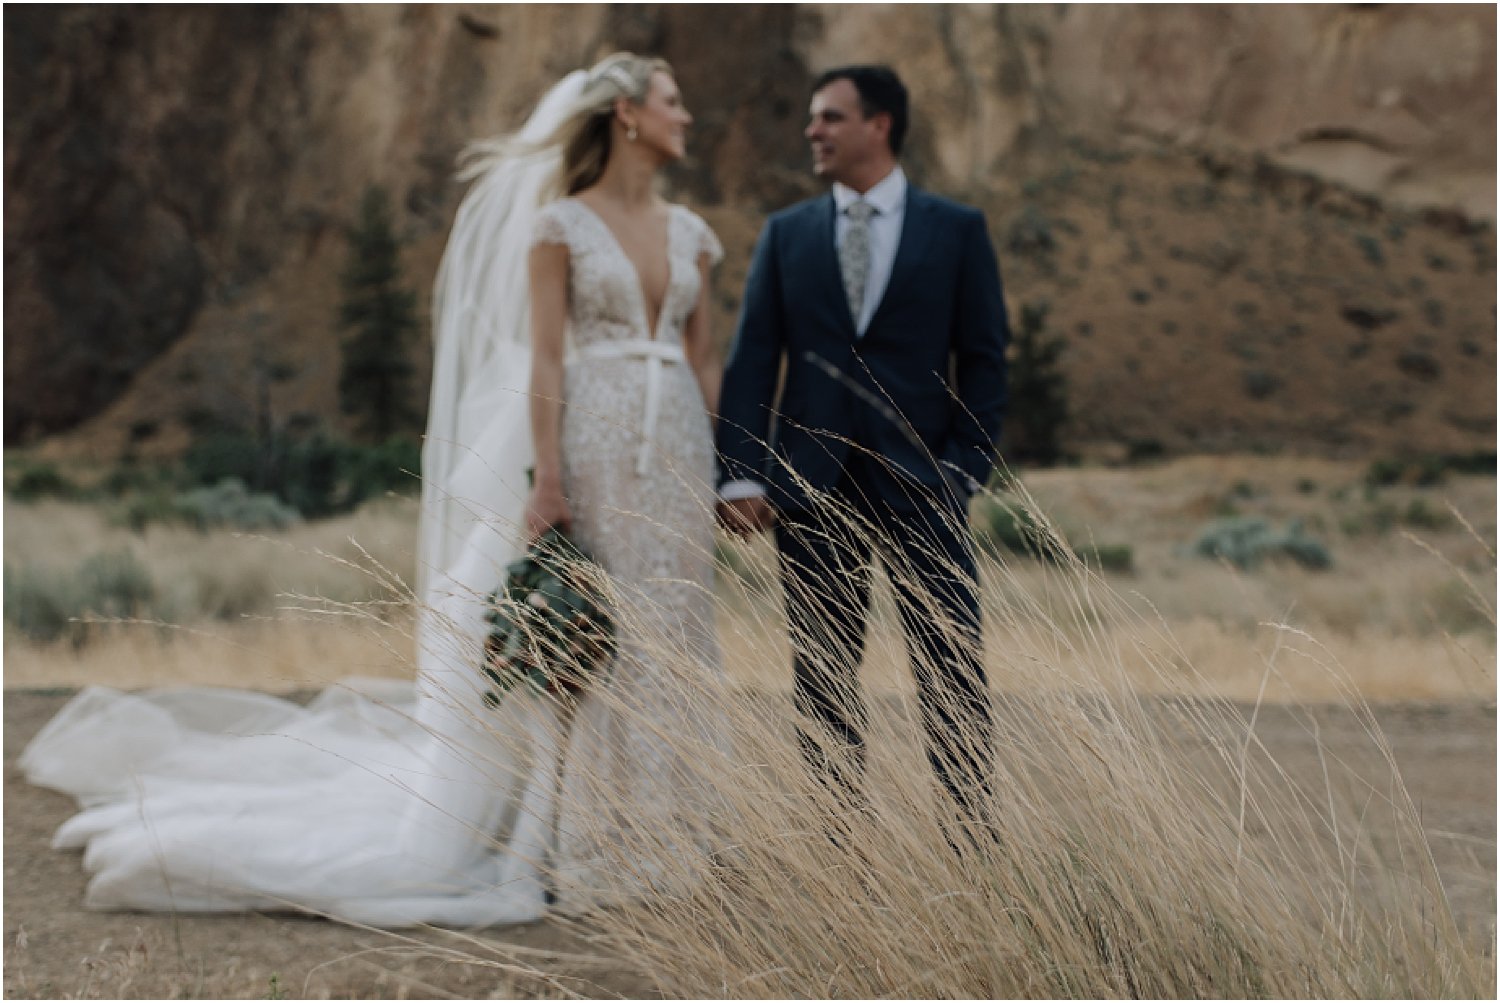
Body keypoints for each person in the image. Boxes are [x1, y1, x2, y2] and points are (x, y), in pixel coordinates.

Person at [21, 53, 728, 928]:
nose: (686, 115)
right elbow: (547, 356)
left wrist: (718, 463)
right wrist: (547, 474)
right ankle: (576, 837)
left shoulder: (694, 232)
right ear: (626, 114)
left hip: (677, 455)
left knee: (670, 624)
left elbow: (704, 359)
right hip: (591, 440)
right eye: (673, 101)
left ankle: (669, 832)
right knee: (591, 631)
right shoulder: (561, 227)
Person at [716, 65, 1009, 822]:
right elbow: (753, 358)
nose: (813, 130)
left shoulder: (957, 230)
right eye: (815, 119)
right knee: (821, 675)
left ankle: (972, 851)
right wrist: (741, 474)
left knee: (951, 671)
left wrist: (964, 470)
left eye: (829, 117)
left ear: (879, 125)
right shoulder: (786, 235)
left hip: (925, 486)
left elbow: (984, 358)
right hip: (809, 488)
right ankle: (840, 862)